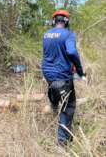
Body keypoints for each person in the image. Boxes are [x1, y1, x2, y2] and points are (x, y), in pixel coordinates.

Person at [42, 9, 85, 146]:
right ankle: (62, 141)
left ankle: (54, 107)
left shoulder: (46, 35)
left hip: (48, 73)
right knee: (69, 105)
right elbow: (71, 51)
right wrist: (79, 70)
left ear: (54, 20)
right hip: (62, 75)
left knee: (54, 90)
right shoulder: (68, 34)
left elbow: (51, 54)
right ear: (66, 21)